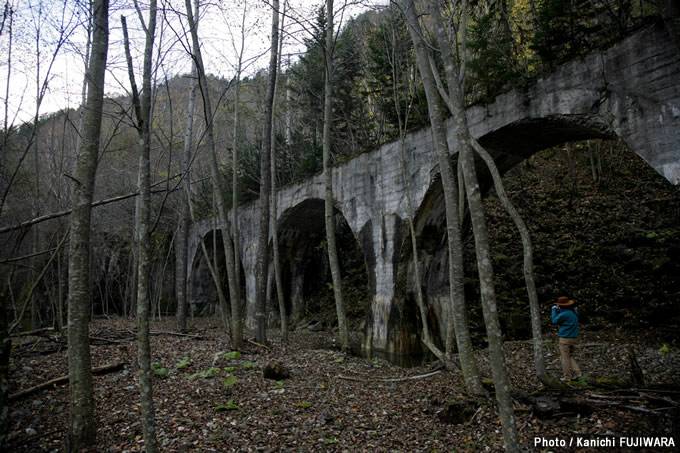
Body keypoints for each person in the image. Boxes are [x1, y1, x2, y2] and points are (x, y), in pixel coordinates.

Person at [552, 296, 581, 381]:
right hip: (574, 337)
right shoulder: (574, 312)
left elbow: (554, 321)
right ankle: (577, 373)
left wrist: (554, 310)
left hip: (565, 338)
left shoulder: (563, 314)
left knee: (564, 357)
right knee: (569, 356)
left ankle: (567, 376)